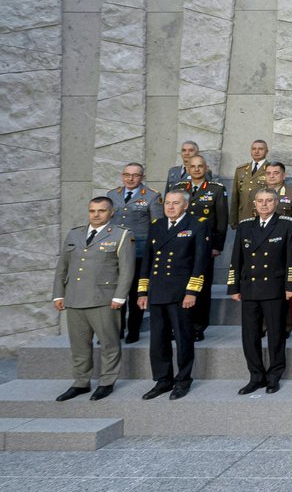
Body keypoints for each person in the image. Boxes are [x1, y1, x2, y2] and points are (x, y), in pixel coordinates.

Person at [51, 197, 135, 402]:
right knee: (79, 344)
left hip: (104, 299)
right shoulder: (74, 234)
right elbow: (62, 267)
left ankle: (106, 382)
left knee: (109, 343)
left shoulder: (121, 235)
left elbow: (127, 269)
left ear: (111, 212)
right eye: (92, 211)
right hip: (75, 297)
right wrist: (58, 294)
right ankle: (81, 382)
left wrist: (119, 296)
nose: (96, 215)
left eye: (101, 211)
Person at [228, 189, 292, 394]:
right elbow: (236, 259)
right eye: (260, 201)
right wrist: (233, 287)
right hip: (249, 288)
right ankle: (256, 376)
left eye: (269, 201)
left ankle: (274, 375)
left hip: (274, 288)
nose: (264, 204)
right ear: (254, 203)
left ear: (276, 203)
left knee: (276, 335)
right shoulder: (245, 227)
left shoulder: (287, 224)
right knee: (249, 335)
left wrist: (291, 286)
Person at [137, 189, 208, 400]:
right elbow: (147, 262)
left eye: (175, 203)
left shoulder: (196, 225)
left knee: (183, 338)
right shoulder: (157, 226)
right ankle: (163, 379)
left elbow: (200, 262)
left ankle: (183, 379)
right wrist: (143, 291)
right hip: (158, 290)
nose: (170, 207)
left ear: (185, 205)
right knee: (157, 340)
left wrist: (192, 291)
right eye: (168, 203)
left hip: (180, 292)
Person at [168, 155, 227, 341]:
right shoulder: (177, 188)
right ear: (187, 167)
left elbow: (221, 219)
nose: (196, 169)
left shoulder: (216, 189)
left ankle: (197, 327)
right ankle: (177, 326)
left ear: (206, 168)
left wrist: (217, 246)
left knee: (201, 288)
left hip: (204, 247)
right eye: (192, 166)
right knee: (178, 287)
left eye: (200, 166)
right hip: (180, 247)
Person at [106, 162, 164, 343]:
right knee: (115, 291)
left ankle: (134, 330)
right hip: (114, 251)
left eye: (135, 175)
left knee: (135, 293)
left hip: (138, 252)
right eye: (127, 175)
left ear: (142, 177)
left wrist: (154, 253)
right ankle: (117, 329)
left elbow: (157, 226)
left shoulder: (152, 196)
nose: (130, 179)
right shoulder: (111, 195)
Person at [264, 161, 292, 337]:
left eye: (276, 173)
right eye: (269, 173)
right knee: (261, 290)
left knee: (286, 290)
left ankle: (285, 326)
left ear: (283, 175)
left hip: (284, 251)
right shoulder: (256, 194)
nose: (272, 176)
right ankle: (263, 325)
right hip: (260, 250)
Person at [231, 139, 271, 222]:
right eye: (253, 149)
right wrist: (233, 219)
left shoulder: (271, 170)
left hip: (262, 217)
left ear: (267, 151)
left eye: (260, 149)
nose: (256, 151)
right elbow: (235, 197)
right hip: (243, 216)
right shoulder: (241, 170)